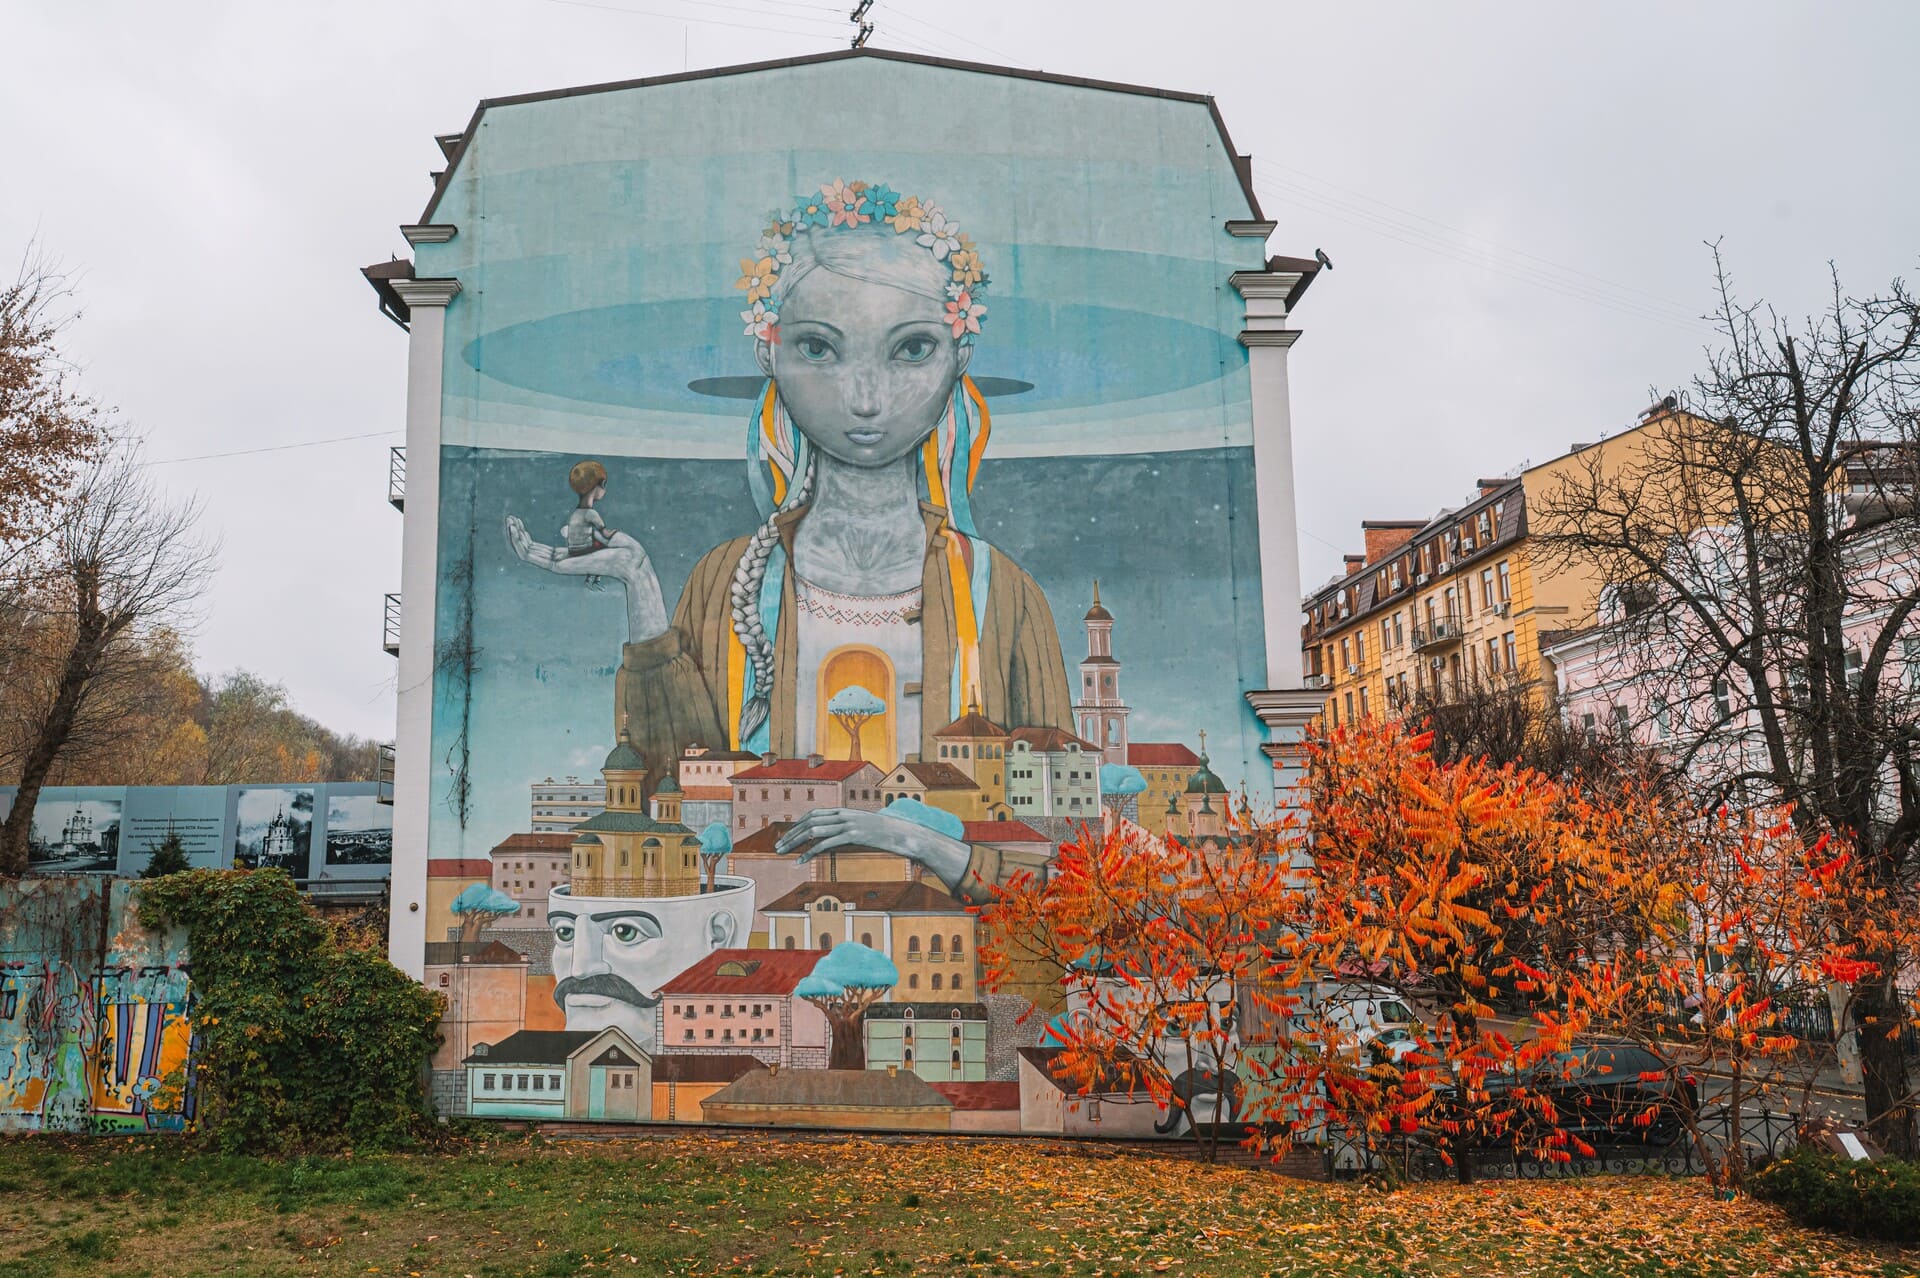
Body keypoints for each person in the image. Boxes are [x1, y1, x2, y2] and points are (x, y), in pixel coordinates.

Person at [508, 180, 1073, 904]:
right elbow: (665, 794)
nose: (865, 398)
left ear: (958, 355)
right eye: (819, 348)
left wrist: (917, 840)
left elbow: (1069, 871)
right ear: (769, 353)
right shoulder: (728, 579)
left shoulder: (1003, 595)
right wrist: (641, 596)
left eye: (911, 349)